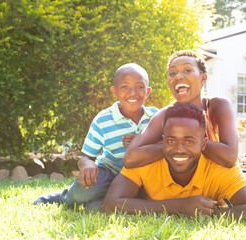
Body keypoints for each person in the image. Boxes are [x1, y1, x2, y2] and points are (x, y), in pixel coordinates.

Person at [123, 50, 246, 216]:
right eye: (172, 73)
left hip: (226, 171)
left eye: (187, 70)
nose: (179, 76)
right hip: (194, 175)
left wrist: (188, 143)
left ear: (203, 78)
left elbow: (229, 156)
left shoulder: (217, 106)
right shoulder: (164, 114)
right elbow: (131, 158)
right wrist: (171, 145)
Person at [102, 102, 246, 220]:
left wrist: (205, 213)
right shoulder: (146, 161)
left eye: (189, 141)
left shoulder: (218, 168)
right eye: (171, 141)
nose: (179, 149)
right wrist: (179, 207)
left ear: (204, 144)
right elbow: (110, 205)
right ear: (162, 141)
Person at [33, 63, 158, 210]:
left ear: (148, 91)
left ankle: (96, 204)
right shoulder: (103, 120)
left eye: (140, 87)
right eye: (125, 87)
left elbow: (165, 145)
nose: (133, 92)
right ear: (115, 91)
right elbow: (86, 158)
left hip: (142, 178)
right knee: (82, 193)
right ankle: (65, 197)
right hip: (109, 174)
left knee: (98, 208)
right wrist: (88, 164)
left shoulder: (156, 117)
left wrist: (141, 141)